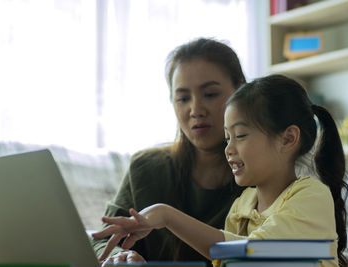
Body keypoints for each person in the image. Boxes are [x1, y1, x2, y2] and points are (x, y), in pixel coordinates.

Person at [93, 74, 348, 267]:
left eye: (240, 136)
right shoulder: (243, 205)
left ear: (287, 139)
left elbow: (252, 254)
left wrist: (166, 215)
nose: (229, 149)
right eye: (228, 138)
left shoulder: (311, 196)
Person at [91, 37, 247, 265]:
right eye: (183, 98)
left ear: (240, 92)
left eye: (210, 94)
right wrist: (119, 257)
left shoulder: (264, 173)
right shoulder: (145, 168)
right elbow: (103, 240)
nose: (195, 110)